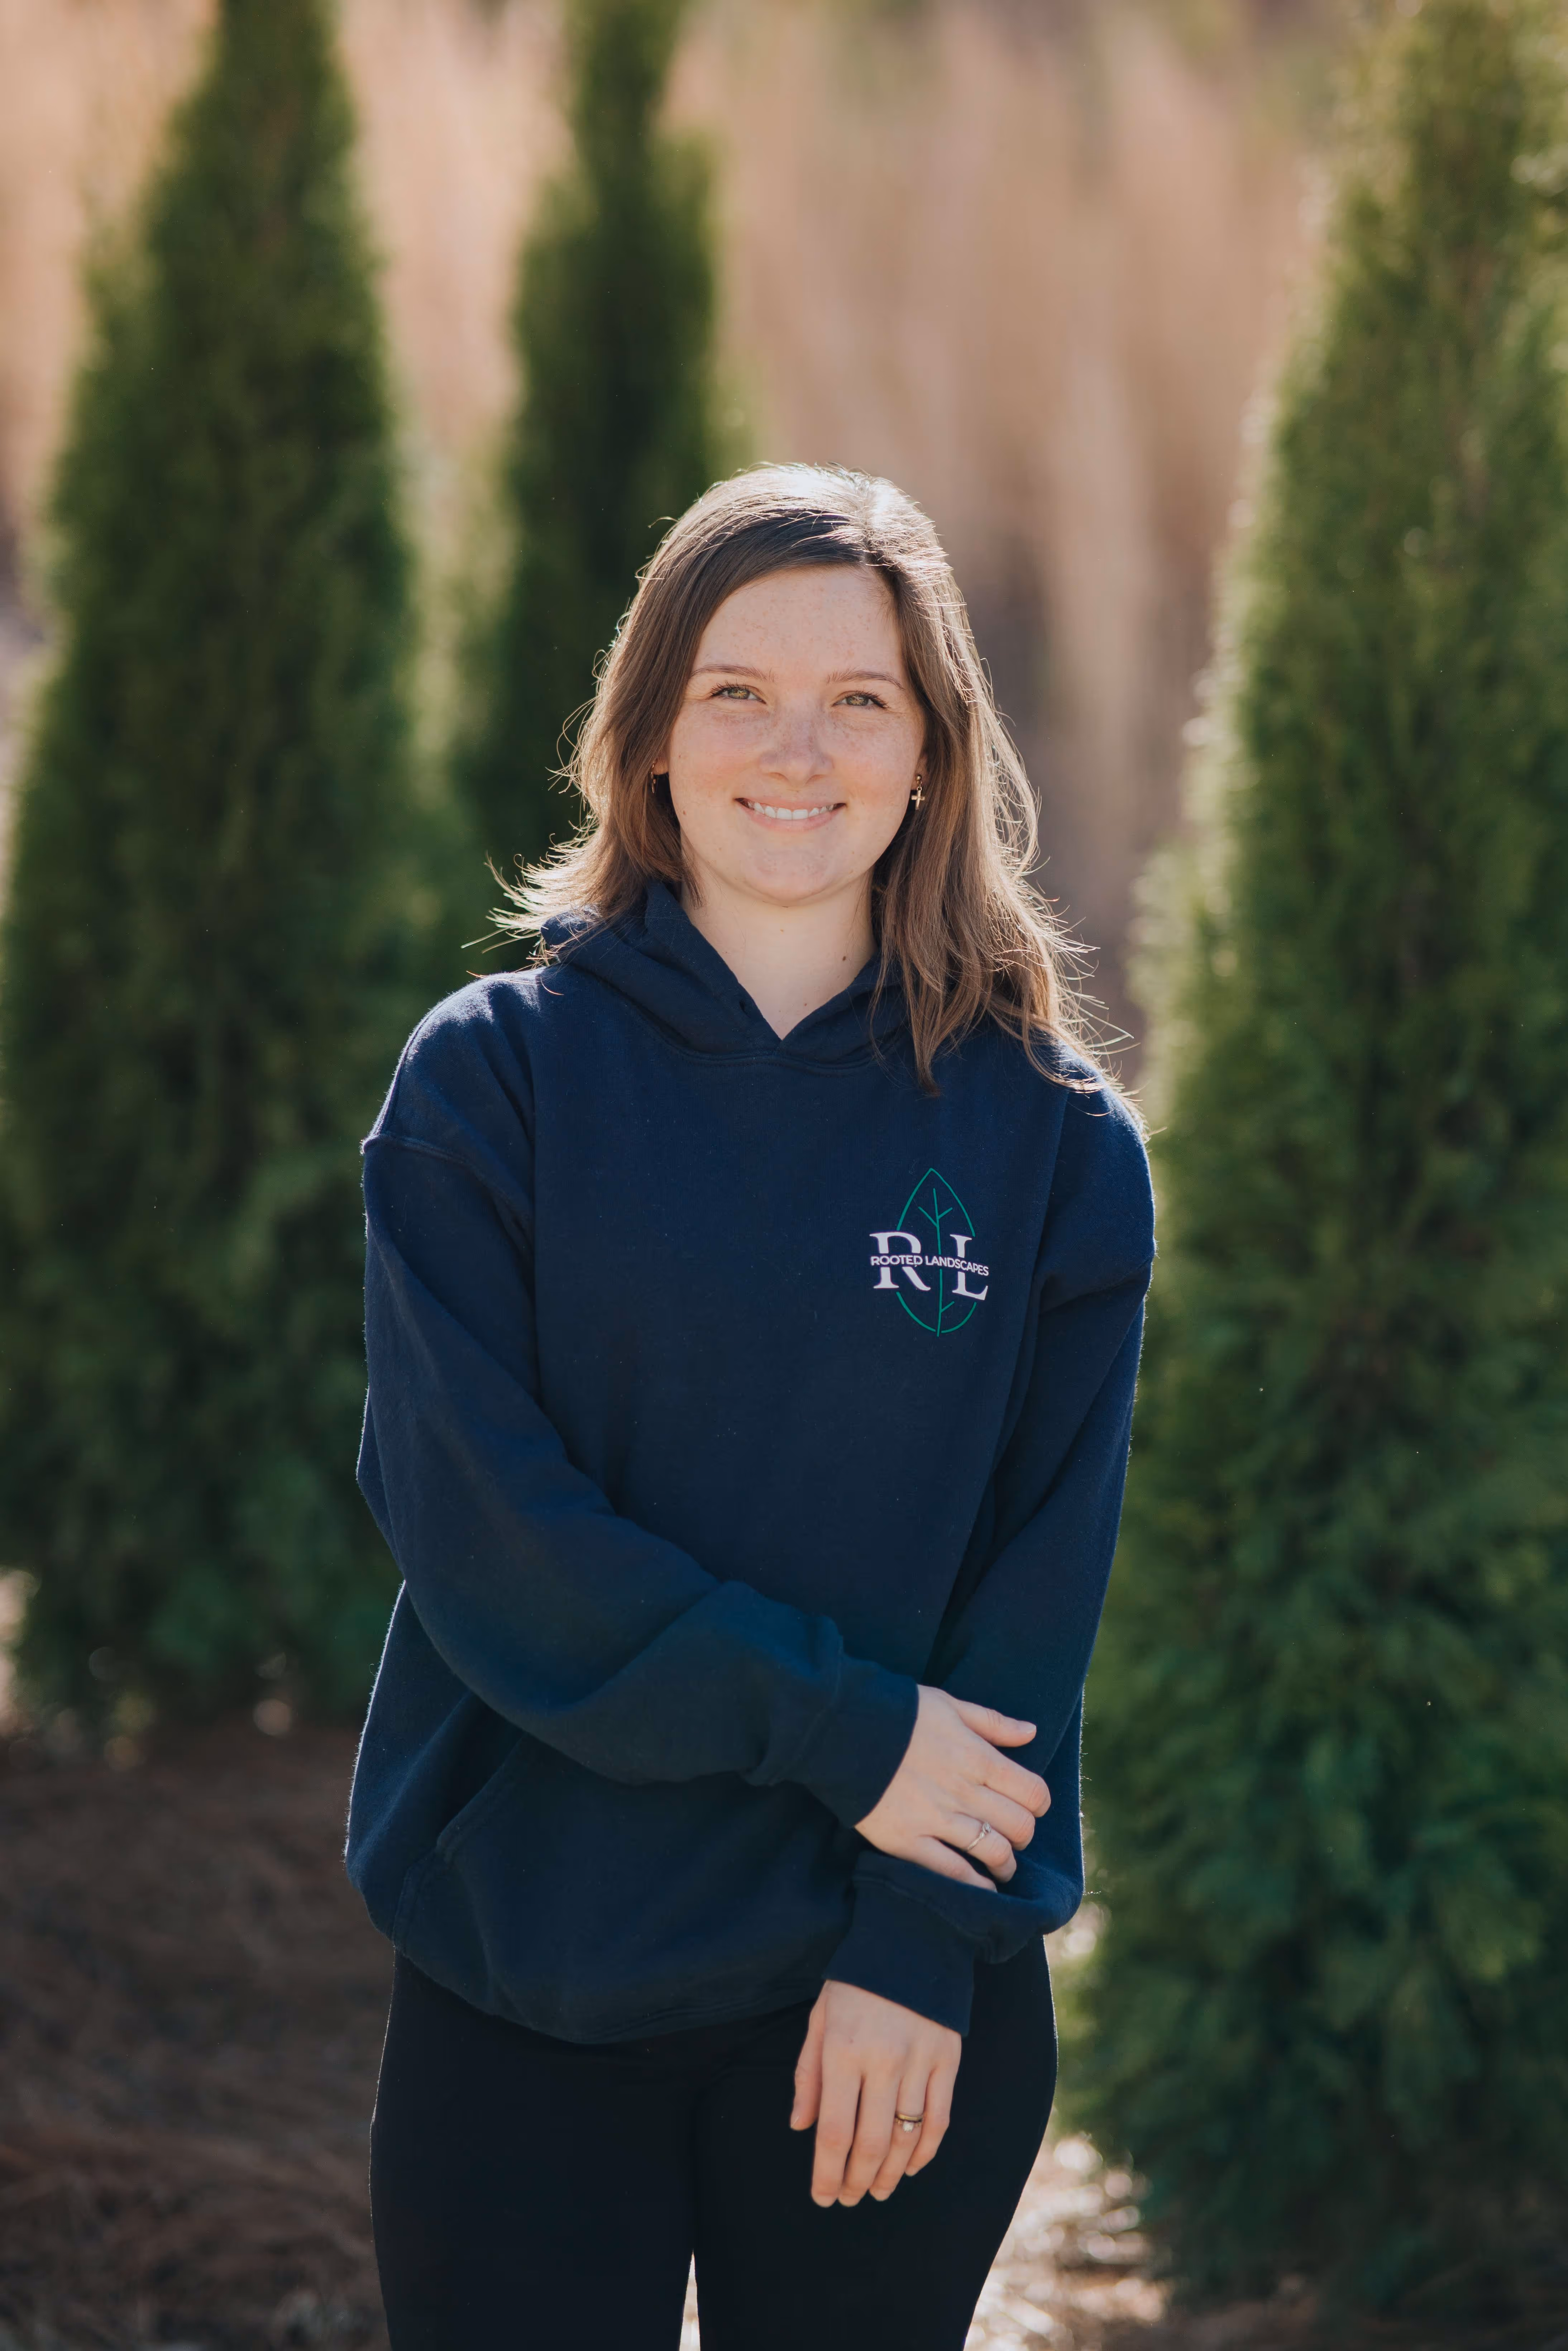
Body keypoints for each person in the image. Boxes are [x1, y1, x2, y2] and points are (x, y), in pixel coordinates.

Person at [349, 464, 1154, 2350]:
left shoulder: (1047, 1142)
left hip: (874, 1991)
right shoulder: (493, 1087)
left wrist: (912, 1945)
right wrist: (848, 1730)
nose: (795, 749)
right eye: (735, 692)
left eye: (857, 699)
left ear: (934, 752)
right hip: (532, 1960)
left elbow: (1036, 1594)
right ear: (643, 741)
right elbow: (490, 1545)